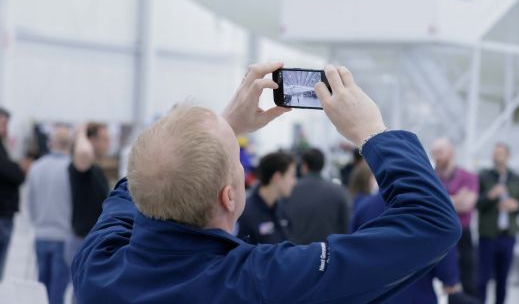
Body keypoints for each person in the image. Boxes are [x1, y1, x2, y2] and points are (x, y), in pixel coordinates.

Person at [72, 63, 461, 303]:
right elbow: (432, 223)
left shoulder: (97, 267)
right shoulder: (261, 283)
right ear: (230, 197)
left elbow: (141, 184)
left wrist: (216, 133)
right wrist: (373, 132)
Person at [351, 182, 467, 304]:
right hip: (417, 297)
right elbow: (447, 271)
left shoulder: (363, 208)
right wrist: (451, 280)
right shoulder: (431, 211)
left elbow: (353, 260)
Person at [27, 124, 73, 304]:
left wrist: (37, 223)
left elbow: (30, 202)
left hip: (41, 235)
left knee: (41, 288)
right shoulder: (72, 170)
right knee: (57, 293)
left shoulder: (36, 167)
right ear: (69, 144)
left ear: (50, 143)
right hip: (63, 237)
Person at [477, 142, 519, 304]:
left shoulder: (517, 179)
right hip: (488, 235)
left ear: (508, 156)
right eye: (495, 153)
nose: (497, 156)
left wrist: (516, 205)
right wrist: (491, 195)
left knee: (503, 280)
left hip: (508, 236)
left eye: (501, 153)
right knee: (482, 279)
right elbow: (476, 203)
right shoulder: (483, 176)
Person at [431, 137, 479, 296]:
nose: (437, 156)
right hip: (438, 234)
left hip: (463, 236)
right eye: (434, 153)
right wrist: (455, 199)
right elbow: (427, 205)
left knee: (468, 282)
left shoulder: (468, 176)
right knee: (447, 284)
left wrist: (439, 200)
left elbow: (467, 204)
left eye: (440, 152)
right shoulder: (430, 178)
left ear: (451, 153)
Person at [284, 146, 350, 244]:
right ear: (322, 165)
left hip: (296, 253)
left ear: (304, 166)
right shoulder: (339, 191)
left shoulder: (289, 191)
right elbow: (346, 227)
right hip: (328, 254)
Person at [68, 122, 110, 263]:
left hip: (94, 239)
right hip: (83, 240)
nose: (108, 144)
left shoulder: (95, 169)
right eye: (104, 139)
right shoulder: (82, 168)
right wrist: (81, 132)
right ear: (91, 140)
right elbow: (84, 153)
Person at [237, 151, 296, 245]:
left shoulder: (281, 210)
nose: (294, 182)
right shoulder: (245, 213)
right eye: (292, 176)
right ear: (277, 177)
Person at [0, 107, 29, 279]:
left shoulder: (4, 147)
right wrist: (19, 168)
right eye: (2, 122)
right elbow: (14, 174)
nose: (6, 127)